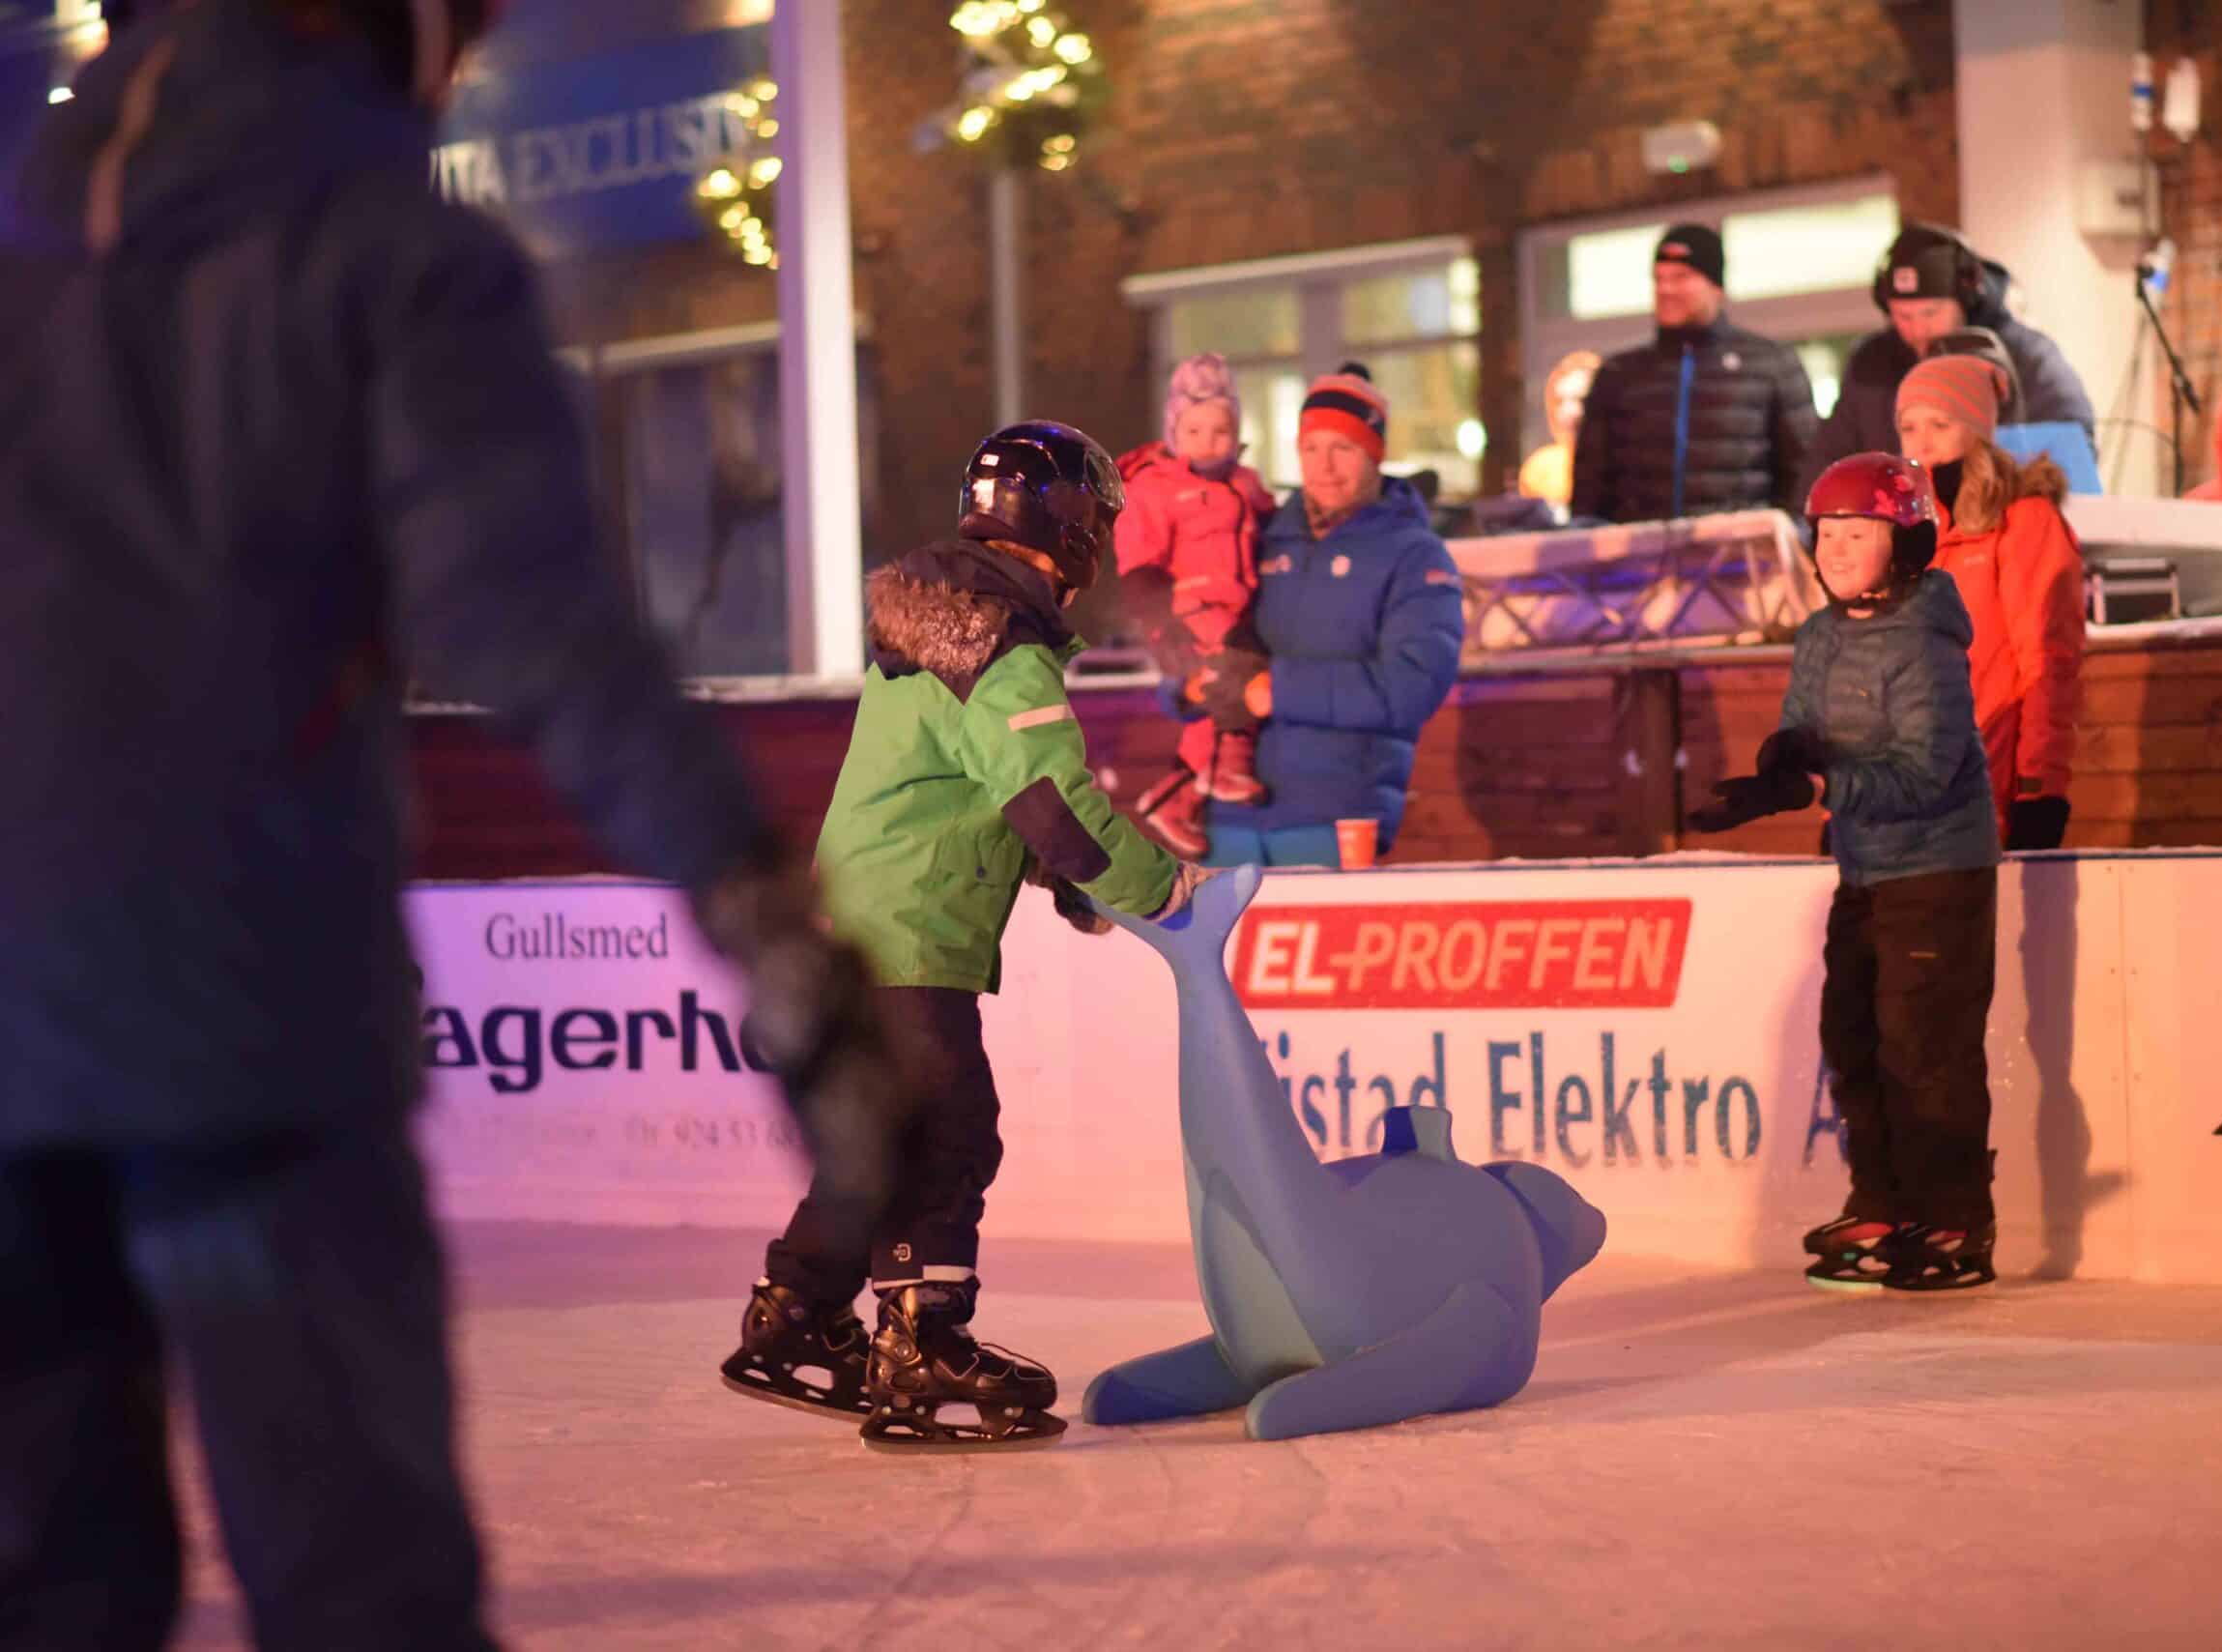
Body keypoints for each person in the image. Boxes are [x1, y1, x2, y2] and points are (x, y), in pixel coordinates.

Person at [0, 3, 904, 1648]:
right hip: (244, 1028)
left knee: (50, 1585)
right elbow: (533, 621)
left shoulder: (23, 230)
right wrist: (772, 920)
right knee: (363, 1591)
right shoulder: (380, 241)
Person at [723, 420, 1209, 1452]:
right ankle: (921, 1343)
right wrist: (1160, 887)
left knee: (886, 1134)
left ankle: (797, 1309)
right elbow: (1050, 800)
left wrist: (1066, 881)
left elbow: (966, 792)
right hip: (906, 930)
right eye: (1097, 522)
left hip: (864, 916)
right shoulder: (998, 642)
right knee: (950, 1130)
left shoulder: (943, 624)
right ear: (1069, 527)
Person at [1687, 452, 2002, 1292]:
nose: (1834, 549)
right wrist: (1777, 769)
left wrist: (1822, 787)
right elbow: (1806, 727)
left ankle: (1954, 1218)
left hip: (1939, 874)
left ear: (1905, 544)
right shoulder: (1821, 634)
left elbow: (1924, 774)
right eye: (1825, 533)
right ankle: (1884, 1203)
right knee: (1854, 1038)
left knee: (1925, 1050)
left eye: (1857, 534)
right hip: (1864, 871)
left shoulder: (1926, 642)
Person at [1190, 363, 1464, 867]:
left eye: (1344, 448)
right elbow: (1198, 619)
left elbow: (1413, 686)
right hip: (1229, 814)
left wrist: (1276, 690)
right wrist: (1186, 683)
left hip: (1335, 815)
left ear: (1375, 454)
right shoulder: (1260, 535)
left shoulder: (1413, 554)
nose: (1325, 467)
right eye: (1311, 449)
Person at [1894, 355, 2086, 851]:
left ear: (1977, 428)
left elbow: (2047, 662)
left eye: (1940, 424)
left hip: (1988, 790)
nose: (1922, 441)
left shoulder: (2023, 520)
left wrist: (2040, 787)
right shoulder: (1902, 532)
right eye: (1909, 427)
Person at [1114, 352, 1280, 858]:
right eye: (1194, 431)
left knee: (1238, 684)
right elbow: (1139, 560)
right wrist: (1161, 626)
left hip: (1240, 604)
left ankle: (1182, 794)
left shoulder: (1246, 484)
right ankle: (1216, 771)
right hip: (1193, 607)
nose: (1208, 442)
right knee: (1223, 684)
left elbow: (1271, 523)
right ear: (1173, 432)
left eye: (1221, 431)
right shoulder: (1157, 487)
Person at [1802, 223, 2097, 501]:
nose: (1918, 329)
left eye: (1930, 313)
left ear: (1967, 298)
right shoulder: (1870, 365)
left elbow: (2069, 453)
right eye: (1903, 316)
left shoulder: (2028, 357)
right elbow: (1829, 465)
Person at [1569, 224, 1819, 524]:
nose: (1666, 289)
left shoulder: (1771, 364)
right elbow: (1589, 488)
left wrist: (1784, 537)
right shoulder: (1619, 375)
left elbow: (1804, 473)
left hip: (1740, 549)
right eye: (1659, 278)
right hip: (1640, 551)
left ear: (1716, 286)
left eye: (1681, 277)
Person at [1517, 348, 1602, 510]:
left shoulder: (1625, 462)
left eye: (1580, 399)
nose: (1568, 411)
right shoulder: (1541, 469)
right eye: (1559, 401)